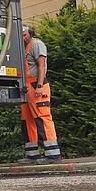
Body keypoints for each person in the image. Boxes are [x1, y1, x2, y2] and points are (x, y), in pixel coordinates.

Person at [20, 26, 61, 163]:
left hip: (36, 86)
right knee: (27, 120)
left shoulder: (37, 45)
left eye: (25, 34)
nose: (23, 37)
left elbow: (42, 66)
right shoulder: (25, 47)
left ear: (30, 33)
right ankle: (32, 155)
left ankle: (53, 155)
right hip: (26, 87)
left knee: (42, 117)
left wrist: (39, 85)